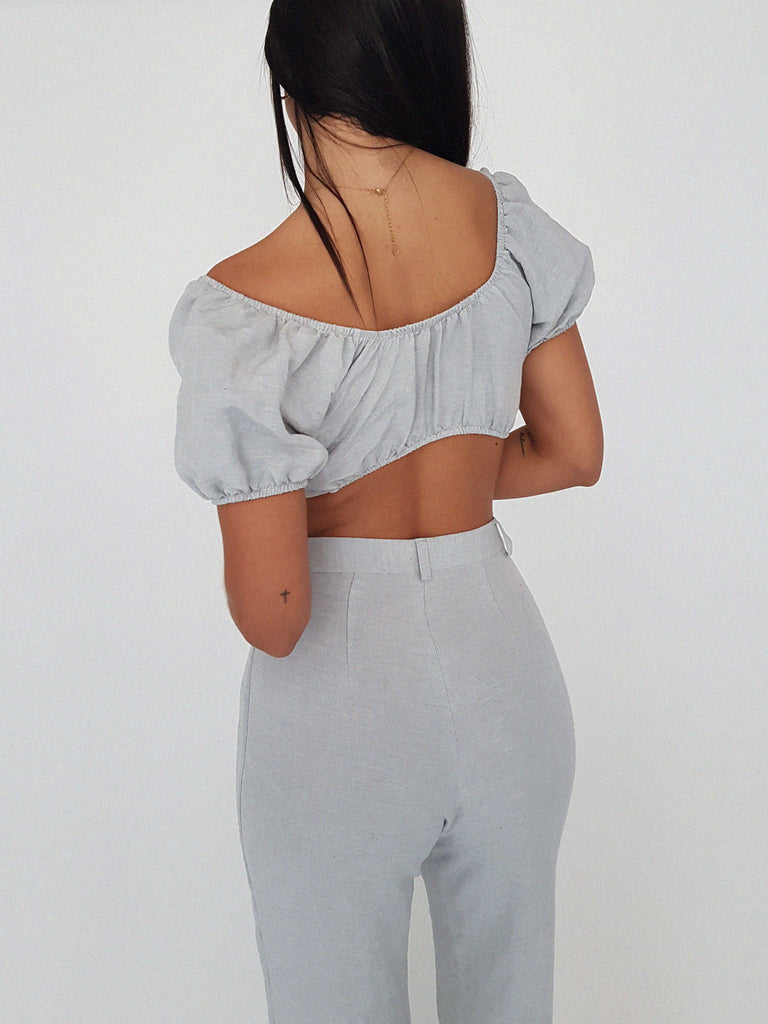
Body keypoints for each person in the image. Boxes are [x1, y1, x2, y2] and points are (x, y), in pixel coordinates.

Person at [168, 1, 603, 1021]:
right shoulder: (507, 226)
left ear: (290, 87)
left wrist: (329, 493)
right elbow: (573, 452)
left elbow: (277, 612)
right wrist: (445, 470)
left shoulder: (242, 306)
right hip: (505, 665)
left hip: (342, 697)